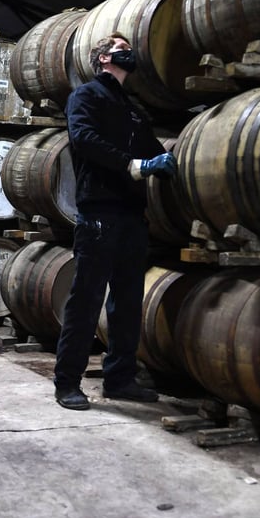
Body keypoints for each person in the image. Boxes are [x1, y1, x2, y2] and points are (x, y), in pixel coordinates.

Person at [52, 32, 178, 411]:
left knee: (127, 302)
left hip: (130, 215)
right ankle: (67, 383)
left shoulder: (131, 107)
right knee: (86, 300)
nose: (130, 55)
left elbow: (153, 150)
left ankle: (120, 379)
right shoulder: (86, 96)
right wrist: (134, 165)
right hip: (99, 212)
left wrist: (170, 160)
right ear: (104, 59)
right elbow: (85, 139)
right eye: (122, 50)